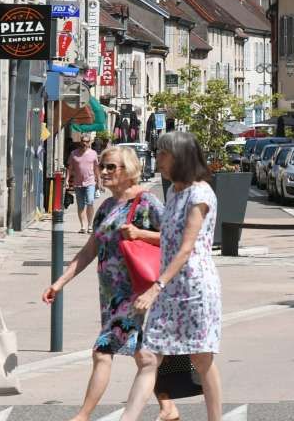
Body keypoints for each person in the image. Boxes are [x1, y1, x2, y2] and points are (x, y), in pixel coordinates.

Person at [44, 145, 198, 421]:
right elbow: (91, 249)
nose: (103, 172)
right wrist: (60, 282)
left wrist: (139, 234)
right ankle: (167, 406)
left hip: (138, 291)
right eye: (101, 166)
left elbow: (176, 241)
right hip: (111, 294)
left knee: (102, 351)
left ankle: (82, 416)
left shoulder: (146, 202)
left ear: (129, 171)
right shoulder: (106, 207)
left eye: (110, 167)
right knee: (144, 357)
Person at [125, 131, 224, 421]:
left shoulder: (200, 193)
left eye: (162, 154)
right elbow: (168, 239)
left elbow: (186, 248)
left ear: (180, 157)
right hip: (170, 286)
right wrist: (141, 235)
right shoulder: (174, 192)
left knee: (202, 358)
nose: (158, 160)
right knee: (149, 356)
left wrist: (156, 287)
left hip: (194, 287)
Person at [67, 134, 100, 233]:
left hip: (90, 182)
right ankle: (83, 226)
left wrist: (99, 181)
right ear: (80, 141)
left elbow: (96, 168)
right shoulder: (74, 154)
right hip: (78, 183)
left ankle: (90, 225)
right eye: (83, 141)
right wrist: (67, 180)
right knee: (80, 205)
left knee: (90, 201)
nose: (84, 143)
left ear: (89, 142)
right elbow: (69, 168)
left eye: (86, 141)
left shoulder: (93, 153)